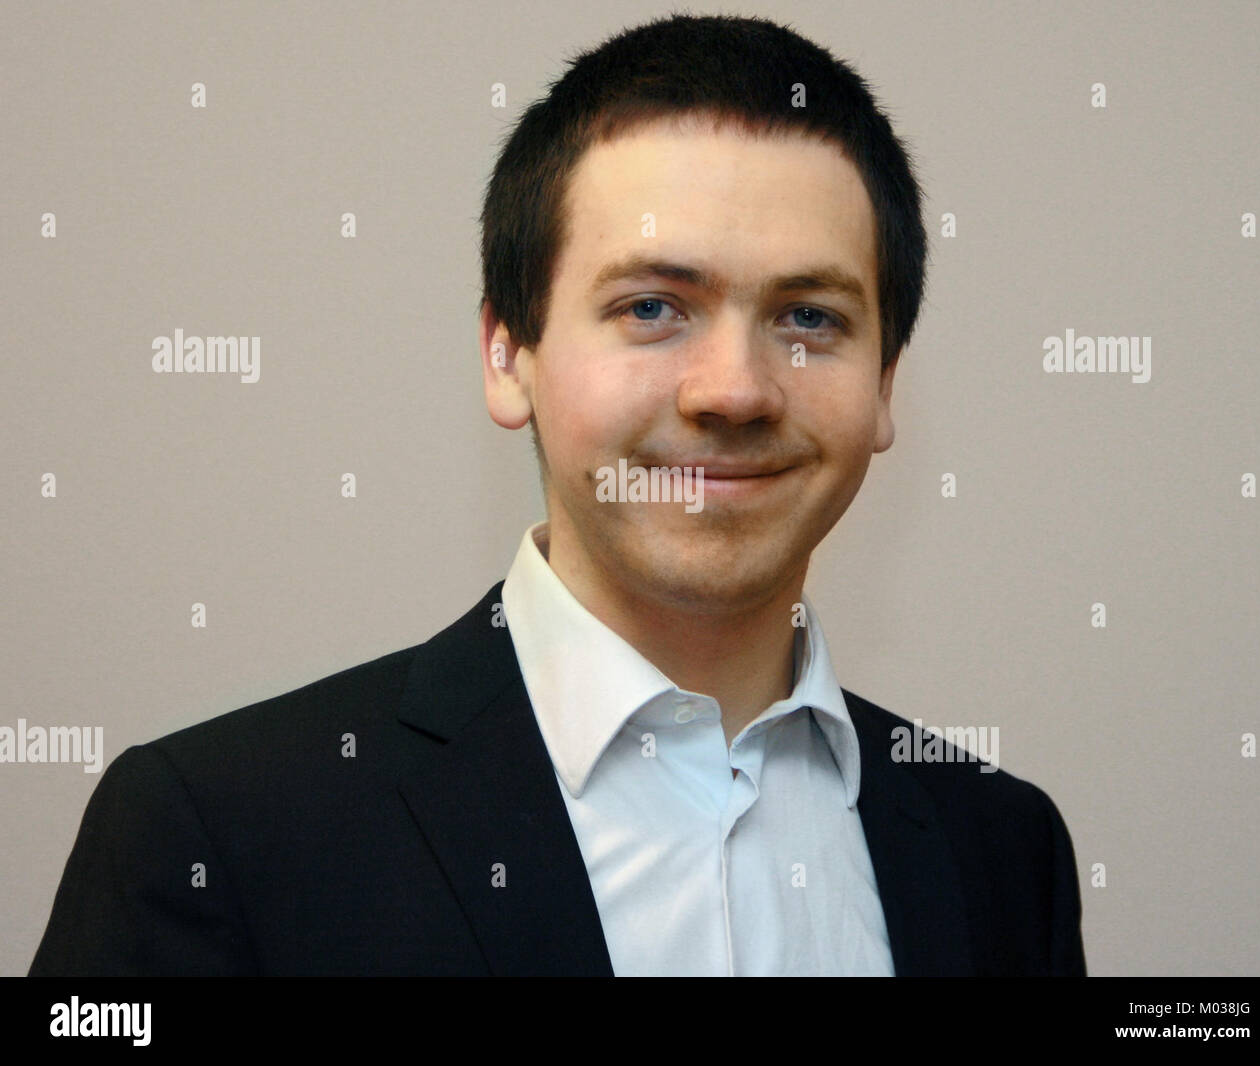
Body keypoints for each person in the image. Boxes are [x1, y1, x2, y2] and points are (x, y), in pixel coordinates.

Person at [29, 13, 1085, 977]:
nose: (734, 389)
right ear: (507, 353)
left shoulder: (1002, 847)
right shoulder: (216, 833)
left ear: (884, 384)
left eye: (810, 318)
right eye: (652, 306)